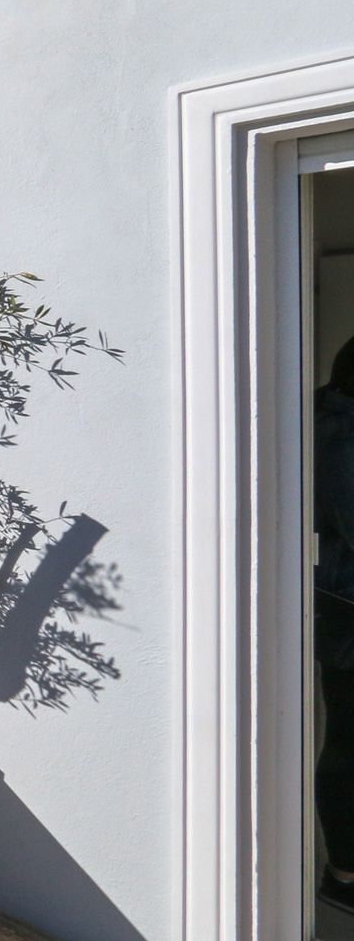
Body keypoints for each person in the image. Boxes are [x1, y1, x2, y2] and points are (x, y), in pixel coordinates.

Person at [317, 336, 354, 910]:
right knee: (347, 744)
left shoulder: (324, 417)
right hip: (348, 612)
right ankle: (344, 876)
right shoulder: (340, 431)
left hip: (340, 607)